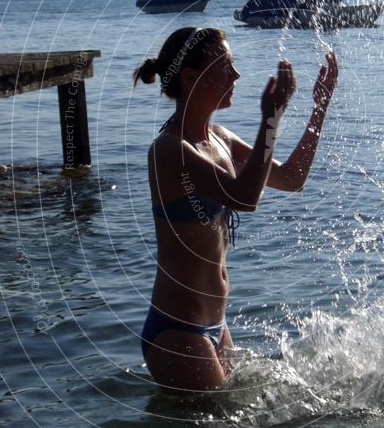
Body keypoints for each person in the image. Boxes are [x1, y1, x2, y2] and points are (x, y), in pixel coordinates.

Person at [133, 27, 338, 396]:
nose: (237, 75)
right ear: (191, 77)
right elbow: (244, 197)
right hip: (177, 330)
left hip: (216, 325)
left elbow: (292, 178)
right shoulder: (168, 150)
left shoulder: (221, 138)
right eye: (225, 65)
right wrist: (271, 119)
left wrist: (319, 107)